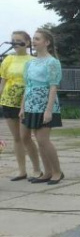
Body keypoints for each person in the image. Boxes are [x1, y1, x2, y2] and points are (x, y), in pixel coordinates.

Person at [19, 29, 64, 184]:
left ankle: (57, 172)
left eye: (37, 38)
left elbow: (53, 87)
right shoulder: (30, 62)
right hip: (31, 105)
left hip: (45, 104)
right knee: (28, 137)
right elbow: (28, 86)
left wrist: (48, 110)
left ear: (47, 42)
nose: (34, 41)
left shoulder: (52, 62)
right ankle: (47, 172)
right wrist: (22, 107)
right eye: (33, 38)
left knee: (43, 139)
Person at [0, 31, 42, 181]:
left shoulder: (33, 60)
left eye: (19, 40)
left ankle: (37, 169)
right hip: (9, 100)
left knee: (26, 137)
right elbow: (3, 80)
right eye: (13, 40)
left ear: (27, 42)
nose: (15, 43)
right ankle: (21, 170)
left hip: (26, 100)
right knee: (16, 137)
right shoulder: (8, 59)